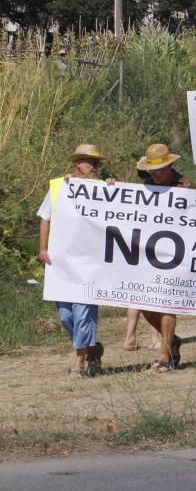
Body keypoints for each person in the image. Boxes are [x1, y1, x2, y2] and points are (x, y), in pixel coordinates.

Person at [37, 144, 109, 378]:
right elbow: (45, 218)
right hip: (62, 263)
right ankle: (92, 349)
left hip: (90, 263)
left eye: (97, 162)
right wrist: (42, 248)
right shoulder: (59, 186)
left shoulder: (103, 188)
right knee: (67, 316)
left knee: (84, 314)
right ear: (77, 163)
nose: (95, 166)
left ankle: (79, 364)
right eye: (90, 162)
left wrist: (113, 188)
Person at [134, 143, 195, 372]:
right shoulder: (146, 187)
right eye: (152, 170)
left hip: (176, 254)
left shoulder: (185, 186)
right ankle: (172, 340)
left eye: (159, 170)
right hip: (149, 254)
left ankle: (164, 357)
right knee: (143, 303)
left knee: (167, 303)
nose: (155, 174)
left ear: (170, 167)